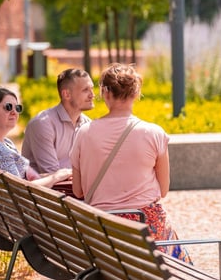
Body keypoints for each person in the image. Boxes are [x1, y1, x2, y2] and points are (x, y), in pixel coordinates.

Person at [70, 63, 190, 263]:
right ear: (136, 94)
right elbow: (163, 190)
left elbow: (78, 191)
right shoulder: (154, 133)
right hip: (147, 232)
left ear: (105, 94)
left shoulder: (84, 133)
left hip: (102, 231)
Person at [0, 86, 72, 188]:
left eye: (17, 108)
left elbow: (22, 180)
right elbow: (19, 189)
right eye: (8, 107)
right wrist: (55, 177)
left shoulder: (4, 143)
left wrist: (59, 175)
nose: (14, 112)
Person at [21, 67, 94, 173]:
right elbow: (52, 174)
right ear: (66, 94)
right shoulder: (42, 124)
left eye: (92, 88)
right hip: (45, 188)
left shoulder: (88, 124)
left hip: (73, 187)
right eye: (85, 90)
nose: (92, 95)